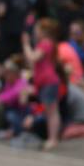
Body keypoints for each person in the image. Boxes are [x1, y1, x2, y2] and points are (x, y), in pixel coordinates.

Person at [22, 18, 64, 149]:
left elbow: (33, 57)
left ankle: (53, 138)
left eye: (37, 30)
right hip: (45, 82)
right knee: (50, 111)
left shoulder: (45, 43)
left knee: (52, 111)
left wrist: (26, 45)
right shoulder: (46, 44)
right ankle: (52, 137)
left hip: (48, 81)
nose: (35, 33)